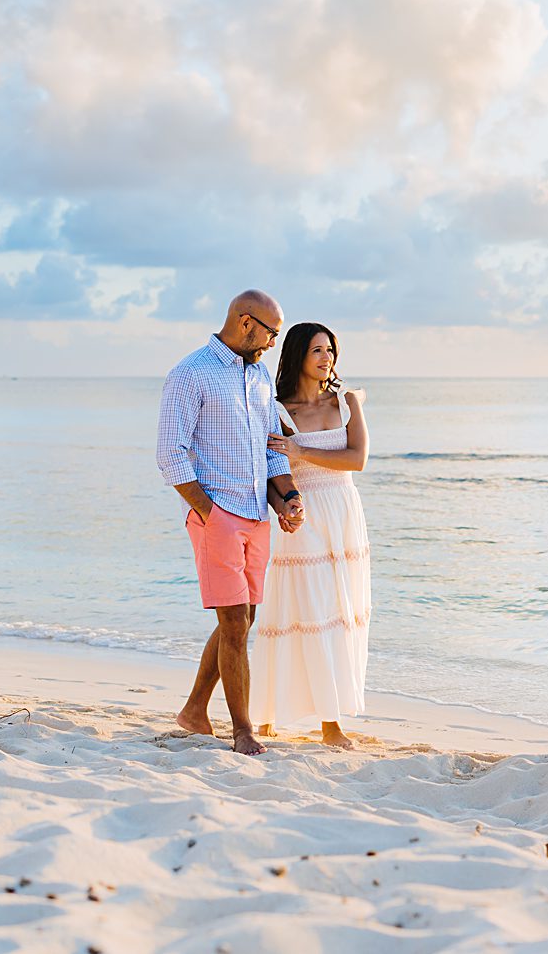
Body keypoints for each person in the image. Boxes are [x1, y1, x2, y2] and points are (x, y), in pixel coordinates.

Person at [156, 289, 305, 756]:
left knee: (242, 620)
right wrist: (208, 511)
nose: (272, 344)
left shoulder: (259, 377)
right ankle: (242, 730)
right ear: (246, 323)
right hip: (218, 516)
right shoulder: (190, 374)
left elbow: (270, 446)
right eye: (271, 334)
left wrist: (287, 499)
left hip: (256, 515)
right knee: (236, 620)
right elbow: (169, 454)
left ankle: (195, 710)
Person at [250, 322, 372, 748]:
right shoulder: (278, 410)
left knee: (340, 614)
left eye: (331, 351)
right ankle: (300, 719)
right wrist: (284, 505)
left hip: (343, 512)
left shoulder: (348, 401)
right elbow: (272, 470)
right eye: (317, 350)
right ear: (298, 354)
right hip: (303, 516)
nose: (326, 359)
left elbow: (357, 459)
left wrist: (304, 451)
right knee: (300, 614)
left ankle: (328, 720)